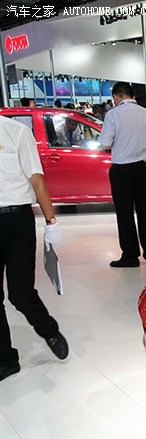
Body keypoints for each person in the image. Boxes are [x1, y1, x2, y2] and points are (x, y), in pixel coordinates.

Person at [0, 115, 68, 381]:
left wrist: (51, 222)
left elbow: (36, 179)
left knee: (20, 293)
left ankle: (48, 330)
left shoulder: (16, 132)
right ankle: (6, 360)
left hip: (16, 221)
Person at [98, 82, 146, 268]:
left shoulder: (113, 115)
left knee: (124, 213)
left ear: (116, 96)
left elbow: (104, 143)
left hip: (122, 169)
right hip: (144, 168)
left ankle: (130, 255)